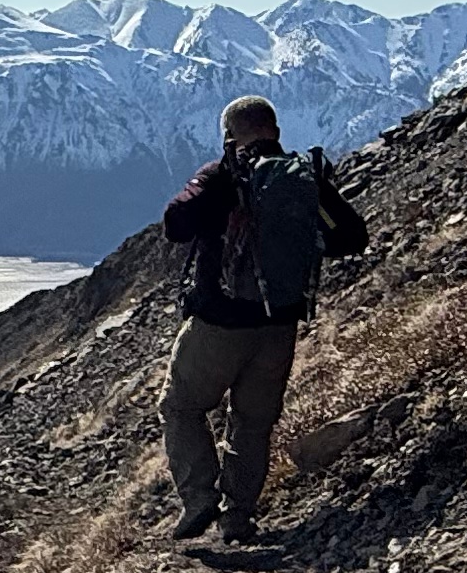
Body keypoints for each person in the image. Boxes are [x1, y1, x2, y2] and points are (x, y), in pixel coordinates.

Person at [156, 94, 367, 541]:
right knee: (252, 421)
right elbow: (351, 236)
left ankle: (199, 497)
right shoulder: (301, 178)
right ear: (276, 131)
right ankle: (239, 516)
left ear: (231, 136)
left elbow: (176, 222)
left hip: (220, 324)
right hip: (280, 325)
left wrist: (216, 187)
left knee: (181, 405)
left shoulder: (222, 176)